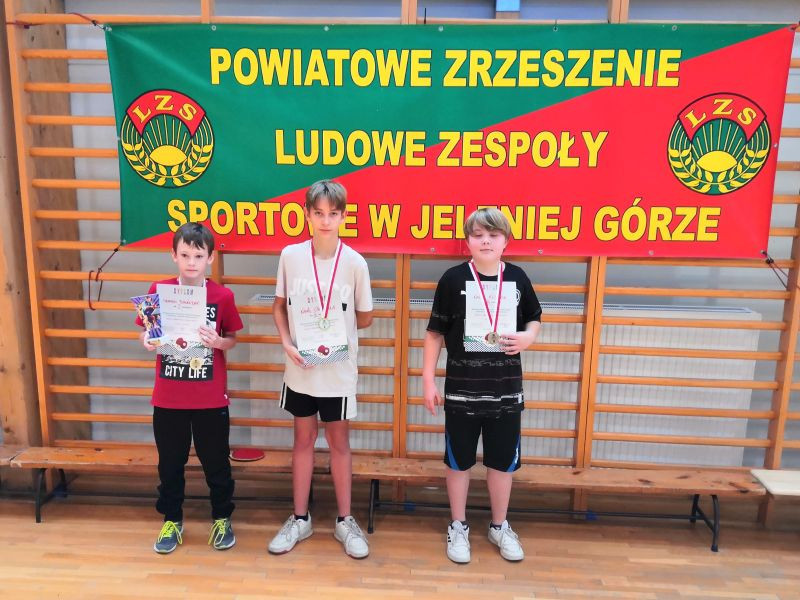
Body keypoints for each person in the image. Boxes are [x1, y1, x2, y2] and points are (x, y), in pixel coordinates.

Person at [422, 207, 542, 564]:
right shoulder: (452, 279)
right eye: (478, 235)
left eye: (493, 234)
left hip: (506, 393)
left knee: (502, 464)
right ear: (467, 241)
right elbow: (434, 333)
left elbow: (534, 318)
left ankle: (499, 525)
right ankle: (458, 525)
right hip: (461, 392)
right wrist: (428, 379)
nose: (486, 241)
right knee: (458, 462)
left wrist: (528, 337)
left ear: (506, 241)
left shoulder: (517, 278)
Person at [268, 180, 374, 559]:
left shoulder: (355, 262)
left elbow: (366, 318)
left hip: (338, 370)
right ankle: (300, 518)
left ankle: (345, 520)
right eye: (318, 213)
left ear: (343, 216)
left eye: (333, 213)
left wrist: (333, 326)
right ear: (308, 215)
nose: (326, 220)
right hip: (301, 367)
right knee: (303, 440)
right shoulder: (290, 255)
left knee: (339, 443)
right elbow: (279, 306)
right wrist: (287, 342)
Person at [136, 222, 243, 554]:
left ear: (210, 257)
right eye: (185, 255)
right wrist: (147, 340)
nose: (191, 262)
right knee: (169, 464)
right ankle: (172, 519)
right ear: (174, 255)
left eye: (198, 256)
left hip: (210, 398)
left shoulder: (223, 296)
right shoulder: (158, 290)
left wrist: (218, 342)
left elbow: (232, 339)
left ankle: (222, 517)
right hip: (169, 397)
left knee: (216, 463)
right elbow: (146, 332)